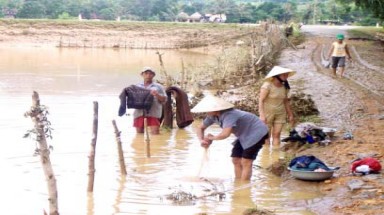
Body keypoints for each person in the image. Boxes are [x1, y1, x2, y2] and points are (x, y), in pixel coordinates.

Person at [192, 95, 269, 181]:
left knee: (246, 162)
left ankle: (244, 187)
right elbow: (200, 128)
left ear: (216, 109)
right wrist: (201, 140)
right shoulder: (212, 116)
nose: (206, 112)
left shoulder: (229, 114)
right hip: (243, 135)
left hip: (257, 131)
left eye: (208, 109)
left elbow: (225, 134)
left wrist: (211, 138)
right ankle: (238, 183)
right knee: (236, 159)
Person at [258, 66, 295, 146]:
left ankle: (275, 154)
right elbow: (261, 100)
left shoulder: (285, 87)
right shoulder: (267, 86)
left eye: (287, 75)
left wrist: (290, 114)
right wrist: (262, 115)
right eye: (284, 75)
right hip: (267, 113)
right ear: (277, 76)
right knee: (266, 136)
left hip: (280, 113)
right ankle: (266, 155)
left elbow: (285, 101)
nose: (286, 76)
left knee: (277, 134)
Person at [133, 67, 166, 135]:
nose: (148, 75)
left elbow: (165, 99)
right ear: (142, 74)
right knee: (139, 135)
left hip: (153, 113)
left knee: (155, 134)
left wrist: (157, 95)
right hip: (139, 113)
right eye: (146, 73)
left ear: (153, 75)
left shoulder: (159, 87)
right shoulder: (136, 86)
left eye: (150, 74)